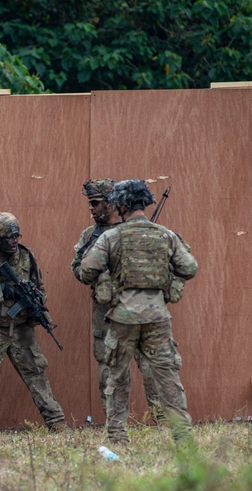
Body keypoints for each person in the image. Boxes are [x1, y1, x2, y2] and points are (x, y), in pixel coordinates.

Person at [78, 179, 198, 447]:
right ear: (145, 203)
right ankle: (182, 436)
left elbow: (87, 270)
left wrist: (108, 275)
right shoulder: (165, 234)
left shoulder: (111, 237)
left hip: (122, 316)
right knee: (167, 374)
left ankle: (118, 436)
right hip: (157, 316)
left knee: (117, 375)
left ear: (119, 205)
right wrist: (170, 285)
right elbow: (189, 268)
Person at [0, 212, 67, 431]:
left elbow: (41, 288)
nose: (14, 241)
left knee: (36, 375)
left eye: (16, 236)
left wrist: (34, 302)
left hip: (21, 329)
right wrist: (3, 290)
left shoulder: (27, 257)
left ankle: (56, 423)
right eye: (9, 237)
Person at [72, 179, 164, 423]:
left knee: (151, 366)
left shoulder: (135, 229)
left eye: (96, 203)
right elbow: (78, 269)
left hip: (140, 308)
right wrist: (101, 274)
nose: (91, 209)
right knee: (109, 369)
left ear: (112, 203)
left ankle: (162, 421)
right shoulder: (90, 235)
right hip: (106, 311)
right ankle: (116, 424)